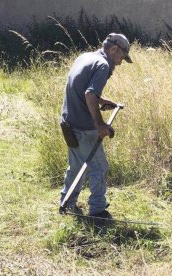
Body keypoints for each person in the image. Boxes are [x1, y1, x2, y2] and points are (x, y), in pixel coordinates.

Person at [59, 33, 132, 218]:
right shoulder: (103, 65)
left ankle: (66, 203)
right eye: (122, 57)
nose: (121, 62)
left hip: (69, 122)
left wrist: (102, 102)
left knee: (75, 167)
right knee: (99, 167)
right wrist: (99, 124)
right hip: (84, 128)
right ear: (114, 49)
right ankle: (98, 210)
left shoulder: (85, 57)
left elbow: (82, 90)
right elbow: (90, 94)